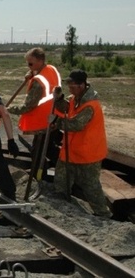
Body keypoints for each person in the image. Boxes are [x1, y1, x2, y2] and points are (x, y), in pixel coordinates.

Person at [52, 70, 112, 218]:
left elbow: (76, 124)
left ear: (81, 85)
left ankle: (103, 215)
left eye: (72, 86)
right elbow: (67, 108)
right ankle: (64, 207)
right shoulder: (76, 98)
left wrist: (56, 122)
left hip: (88, 154)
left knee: (91, 188)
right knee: (61, 180)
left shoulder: (90, 104)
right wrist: (59, 99)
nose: (70, 89)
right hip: (71, 151)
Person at [7, 47, 62, 178]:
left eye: (30, 64)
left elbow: (28, 106)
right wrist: (32, 72)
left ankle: (38, 178)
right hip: (54, 116)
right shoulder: (51, 70)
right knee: (49, 149)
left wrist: (8, 109)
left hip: (42, 121)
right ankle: (66, 168)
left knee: (38, 153)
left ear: (40, 61)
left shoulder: (38, 82)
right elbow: (44, 77)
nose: (28, 66)